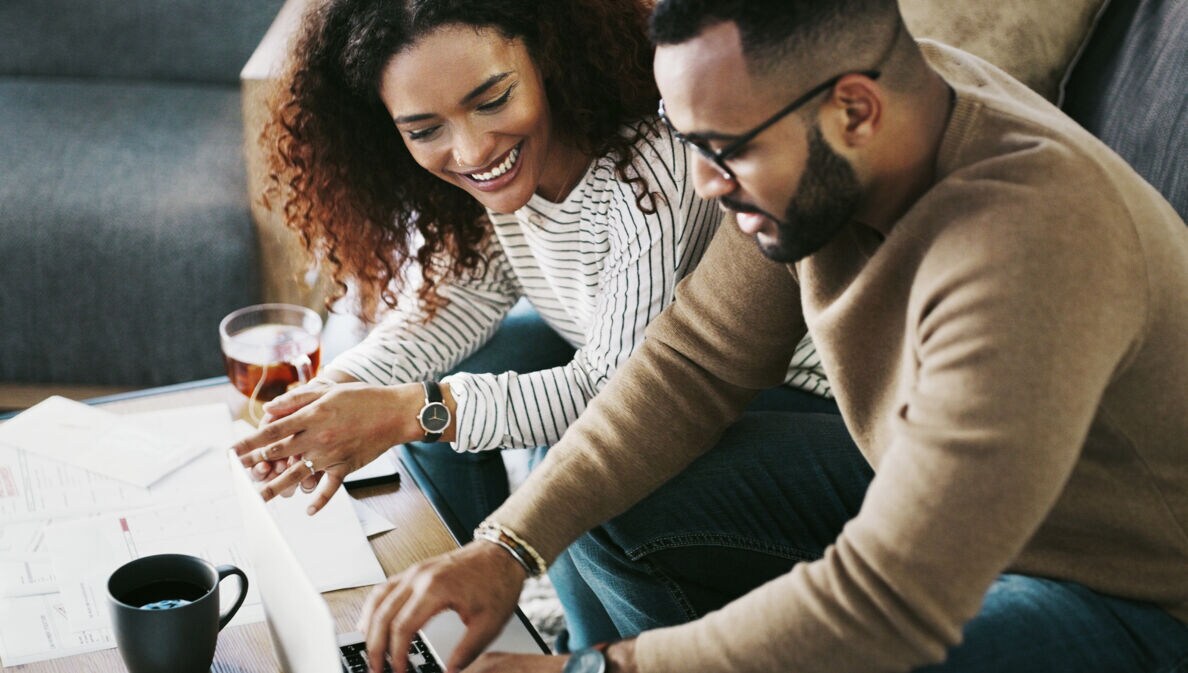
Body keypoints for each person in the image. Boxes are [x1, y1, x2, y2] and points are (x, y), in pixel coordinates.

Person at [349, 0, 1188, 672]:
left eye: (725, 152)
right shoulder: (841, 146)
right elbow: (691, 362)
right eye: (692, 145)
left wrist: (608, 668)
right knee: (615, 491)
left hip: (1122, 592)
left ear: (853, 109)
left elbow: (892, 597)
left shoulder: (1028, 244)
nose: (706, 185)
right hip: (936, 490)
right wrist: (506, 546)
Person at [230, 0, 834, 652]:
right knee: (470, 365)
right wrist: (339, 388)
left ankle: (617, 651)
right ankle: (460, 609)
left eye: (492, 99)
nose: (471, 148)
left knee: (586, 476)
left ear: (545, 48)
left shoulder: (651, 173)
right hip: (648, 378)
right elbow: (457, 302)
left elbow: (622, 396)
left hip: (795, 402)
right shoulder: (507, 170)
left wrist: (412, 411)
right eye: (424, 128)